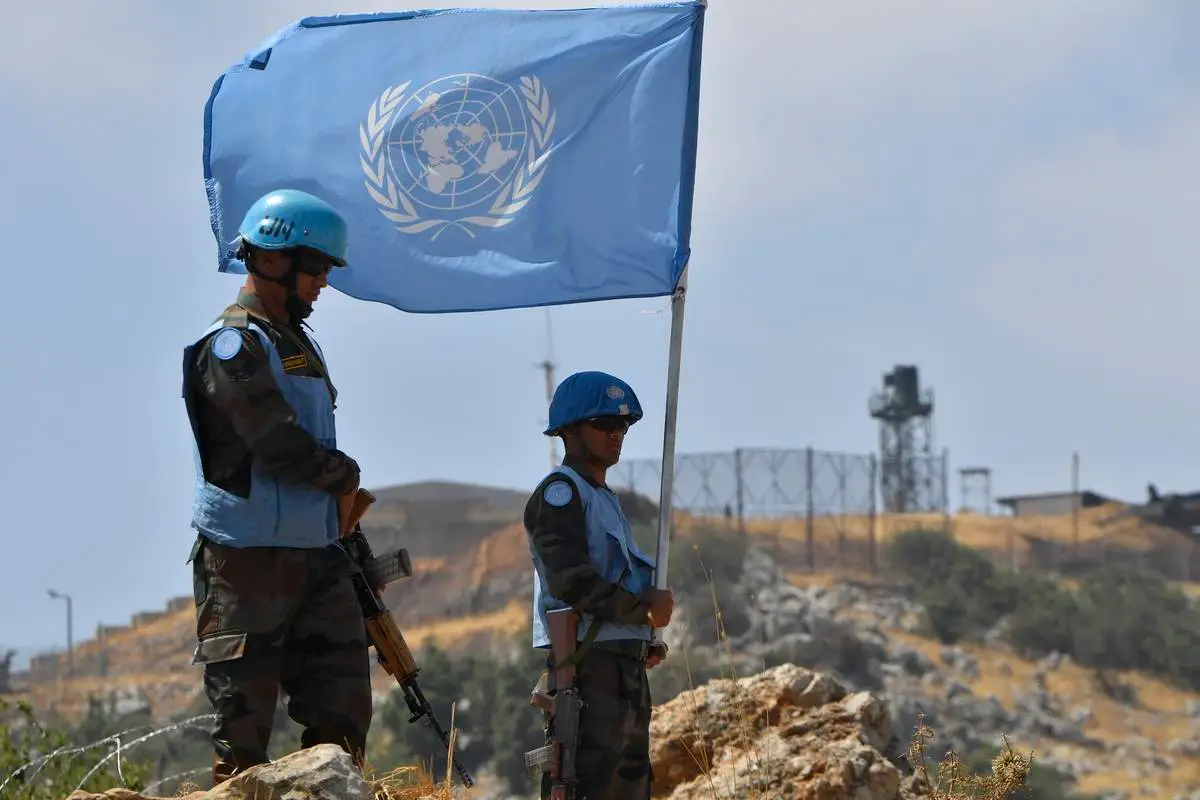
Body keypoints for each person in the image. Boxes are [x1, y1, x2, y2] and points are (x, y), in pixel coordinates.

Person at [181, 188, 373, 785]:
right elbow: (276, 445)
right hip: (248, 565)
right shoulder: (233, 344)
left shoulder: (297, 343)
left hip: (317, 557)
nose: (322, 283)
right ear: (269, 260)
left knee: (342, 721)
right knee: (243, 739)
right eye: (314, 267)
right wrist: (345, 475)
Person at [523, 370, 675, 800]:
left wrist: (643, 632)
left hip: (624, 668)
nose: (617, 434)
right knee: (585, 784)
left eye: (622, 426)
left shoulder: (605, 498)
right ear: (570, 430)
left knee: (631, 787)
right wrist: (641, 609)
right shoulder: (560, 493)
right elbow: (573, 582)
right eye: (604, 424)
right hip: (589, 669)